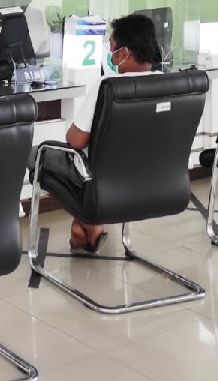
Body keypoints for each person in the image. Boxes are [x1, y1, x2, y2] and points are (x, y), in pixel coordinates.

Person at [50, 13, 162, 254]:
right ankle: (84, 229)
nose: (109, 55)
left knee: (43, 158)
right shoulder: (169, 86)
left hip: (105, 185)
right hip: (156, 183)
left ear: (125, 53)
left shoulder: (108, 88)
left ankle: (89, 225)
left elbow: (75, 141)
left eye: (112, 49)